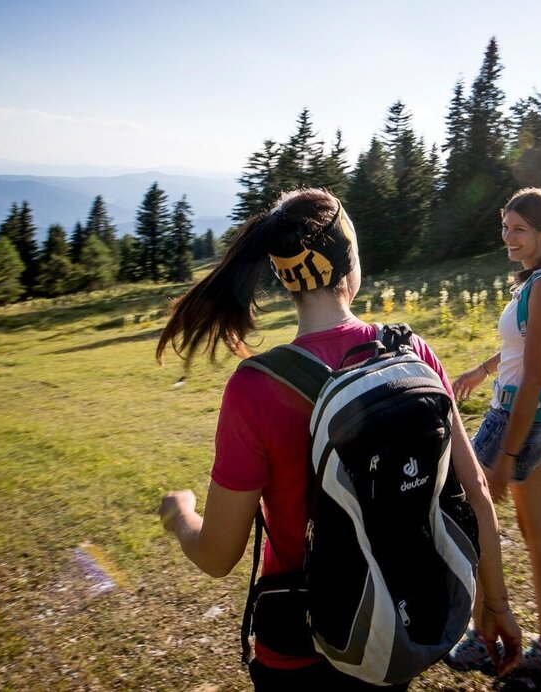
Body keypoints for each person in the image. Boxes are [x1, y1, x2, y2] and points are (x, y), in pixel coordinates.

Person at [155, 188, 521, 691]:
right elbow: (475, 490)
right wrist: (495, 604)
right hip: (392, 626)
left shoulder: (254, 388)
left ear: (284, 278)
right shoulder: (410, 352)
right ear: (351, 264)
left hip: (298, 646)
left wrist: (180, 516)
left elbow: (218, 556)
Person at [446, 188, 541, 691]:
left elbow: (533, 377)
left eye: (519, 228)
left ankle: (484, 637)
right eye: (505, 226)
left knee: (472, 518)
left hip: (517, 421)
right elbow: (528, 347)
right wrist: (482, 369)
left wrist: (504, 457)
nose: (508, 237)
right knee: (536, 531)